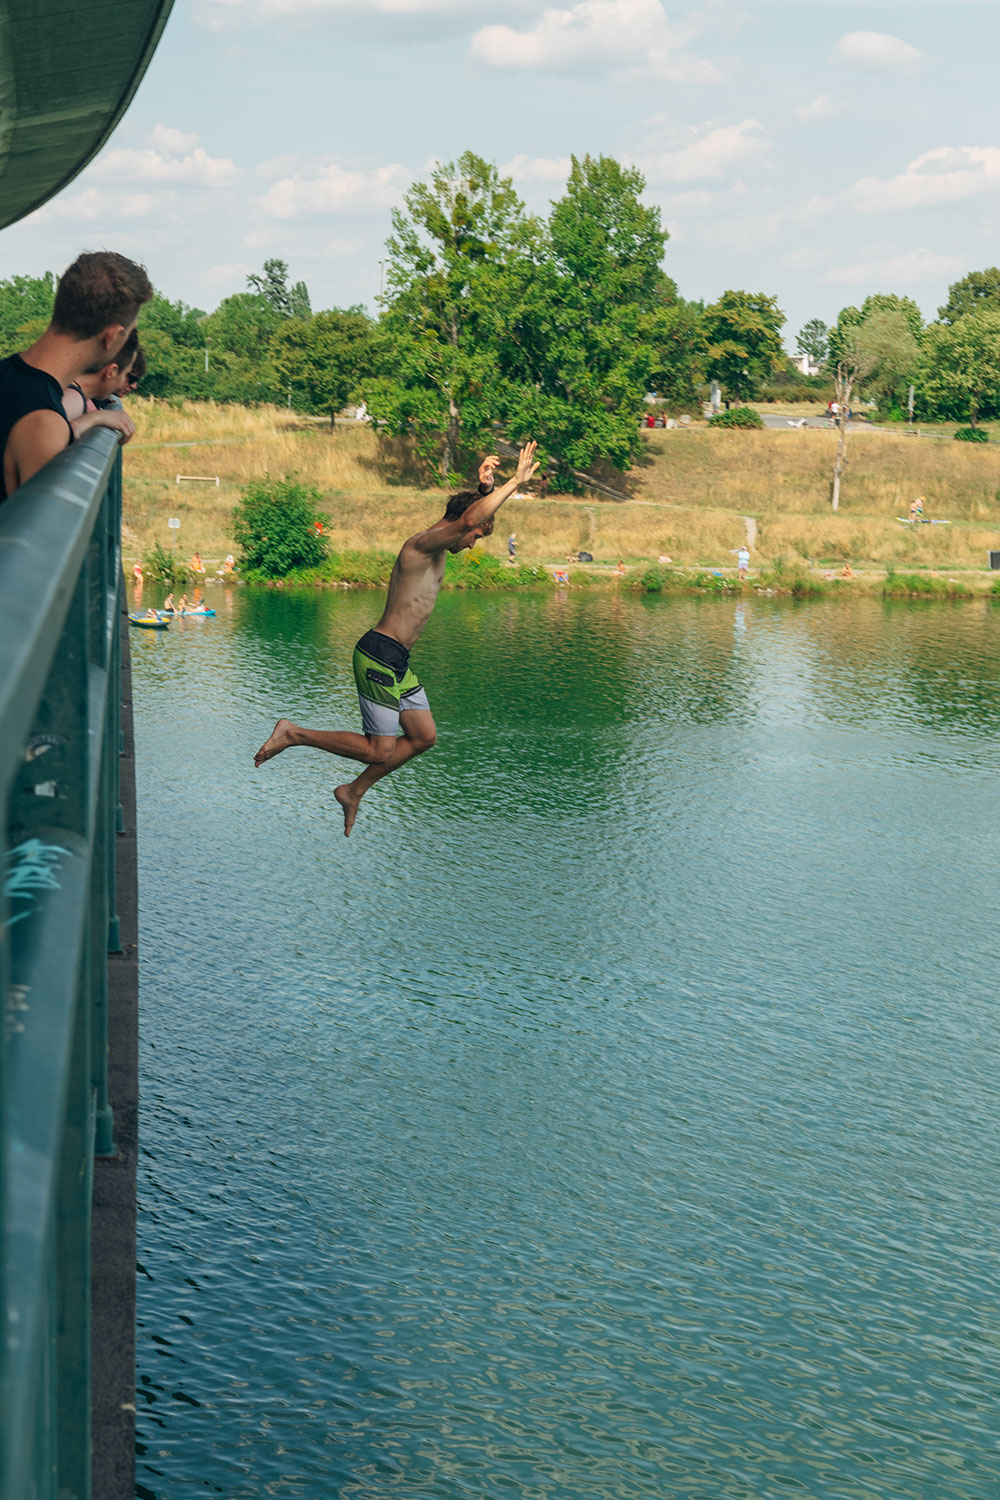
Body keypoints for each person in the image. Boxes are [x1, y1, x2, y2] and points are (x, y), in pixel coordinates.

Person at [254, 443, 539, 836]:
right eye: (473, 535)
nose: (472, 544)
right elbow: (466, 520)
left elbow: (470, 516)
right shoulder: (421, 546)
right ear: (460, 522)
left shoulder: (440, 546)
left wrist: (487, 491)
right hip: (378, 656)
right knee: (379, 749)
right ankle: (293, 733)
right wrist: (511, 484)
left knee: (424, 737)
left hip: (397, 662)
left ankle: (353, 791)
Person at [0, 251, 151, 505]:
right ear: (112, 336)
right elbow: (45, 537)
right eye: (129, 332)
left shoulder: (7, 374)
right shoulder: (44, 423)